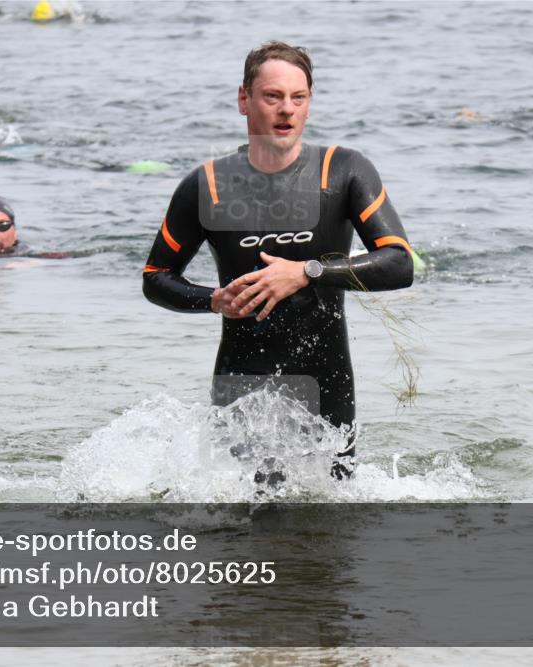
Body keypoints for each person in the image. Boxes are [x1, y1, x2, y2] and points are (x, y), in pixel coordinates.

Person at [142, 41, 414, 482]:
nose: (287, 109)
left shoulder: (343, 171)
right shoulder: (208, 185)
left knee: (332, 512)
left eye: (298, 97)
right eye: (273, 96)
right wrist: (212, 300)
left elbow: (400, 264)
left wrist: (307, 272)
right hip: (242, 384)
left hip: (326, 380)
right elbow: (156, 277)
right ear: (244, 99)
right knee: (246, 512)